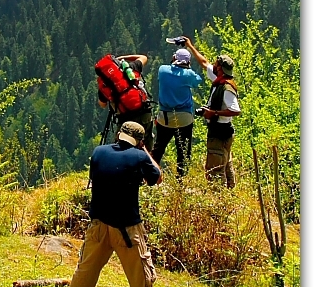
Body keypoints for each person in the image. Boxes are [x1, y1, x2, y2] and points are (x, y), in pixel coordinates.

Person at [58, 120, 169, 287]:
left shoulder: (99, 152)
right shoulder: (139, 157)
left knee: (85, 272)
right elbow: (157, 178)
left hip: (98, 225)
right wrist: (144, 150)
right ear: (138, 142)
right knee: (141, 281)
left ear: (118, 135)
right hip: (126, 229)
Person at [182, 37, 241, 188]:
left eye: (216, 64)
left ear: (220, 68)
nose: (213, 65)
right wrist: (190, 46)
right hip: (224, 131)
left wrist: (213, 113)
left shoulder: (226, 87)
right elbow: (204, 63)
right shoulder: (219, 79)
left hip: (219, 132)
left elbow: (235, 110)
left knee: (214, 169)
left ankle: (219, 200)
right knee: (226, 163)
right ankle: (230, 193)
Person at [151, 46, 203, 177]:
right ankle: (181, 181)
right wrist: (188, 68)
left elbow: (171, 68)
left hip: (165, 116)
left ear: (174, 58)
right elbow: (198, 81)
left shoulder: (162, 70)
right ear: (188, 62)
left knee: (159, 148)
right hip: (184, 117)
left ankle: (150, 176)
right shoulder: (189, 75)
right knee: (183, 151)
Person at [97, 52, 154, 150]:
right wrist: (123, 57)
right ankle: (148, 161)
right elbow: (143, 57)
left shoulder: (104, 85)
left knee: (123, 147)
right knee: (146, 141)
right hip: (144, 112)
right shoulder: (129, 69)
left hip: (125, 119)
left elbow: (102, 104)